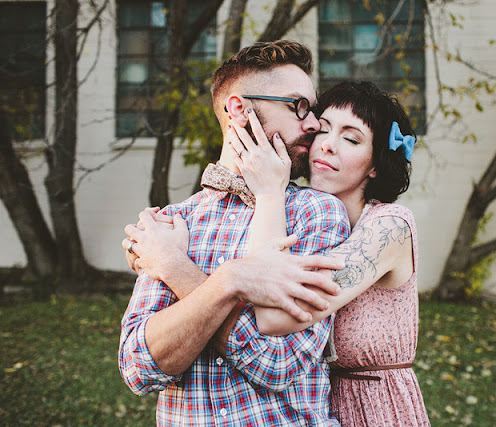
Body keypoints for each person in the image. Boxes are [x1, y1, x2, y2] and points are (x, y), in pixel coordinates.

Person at [127, 81, 430, 426]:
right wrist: (145, 254)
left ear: (375, 165)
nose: (327, 145)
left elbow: (272, 319)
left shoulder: (389, 228)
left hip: (377, 409)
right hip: (329, 408)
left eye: (350, 139)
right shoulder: (306, 218)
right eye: (323, 129)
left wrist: (172, 265)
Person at [118, 40, 351, 426]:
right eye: (298, 106)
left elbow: (280, 363)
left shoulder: (318, 213)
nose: (313, 124)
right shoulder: (173, 223)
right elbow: (139, 369)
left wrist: (183, 270)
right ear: (239, 109)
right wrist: (229, 283)